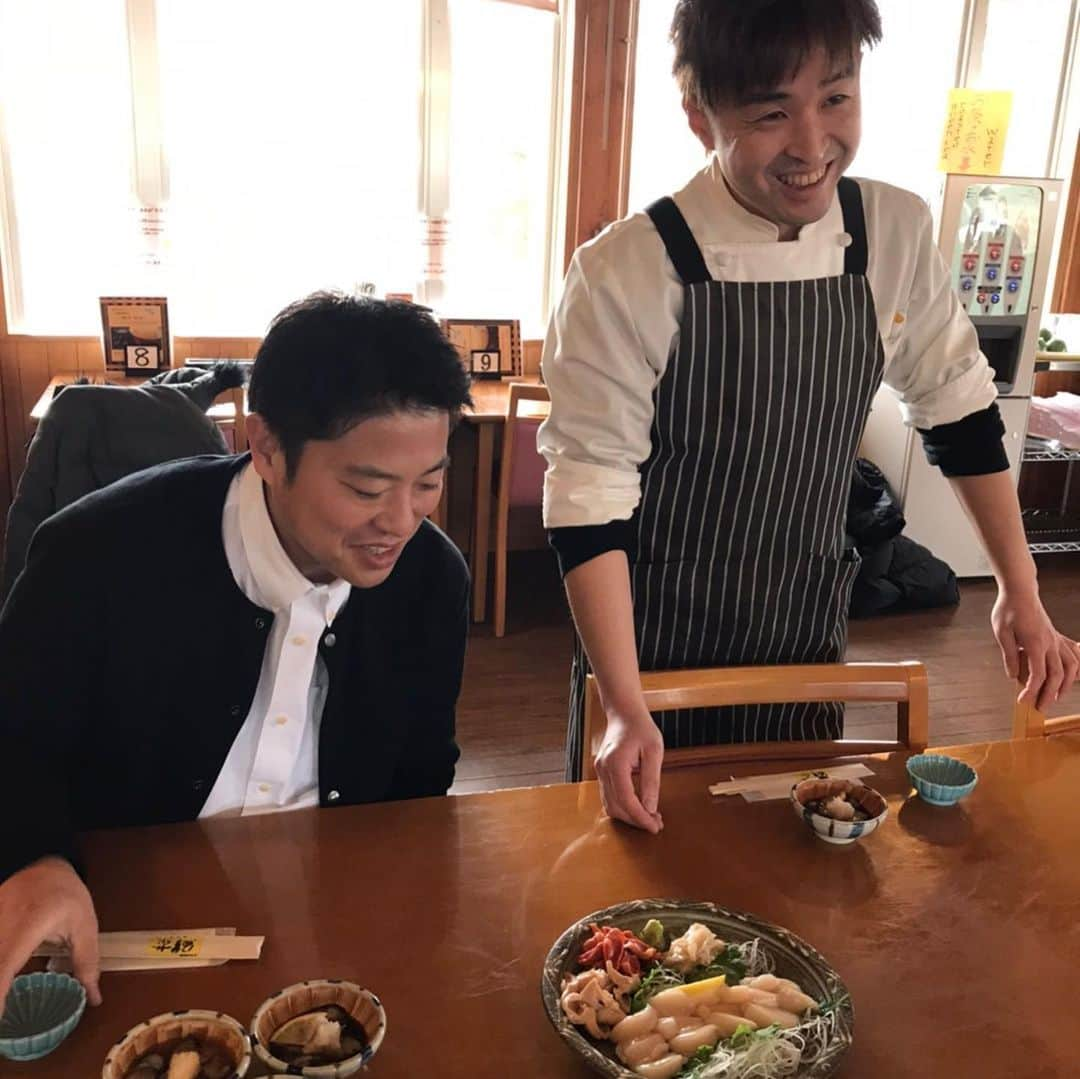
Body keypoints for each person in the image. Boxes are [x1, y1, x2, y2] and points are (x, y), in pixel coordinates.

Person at [538, 0, 1079, 832]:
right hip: (650, 645)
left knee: (798, 852)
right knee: (644, 877)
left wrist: (1020, 589)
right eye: (769, 113)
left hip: (804, 629)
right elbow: (588, 497)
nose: (812, 144)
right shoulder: (629, 269)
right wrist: (621, 701)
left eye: (836, 98)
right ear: (698, 114)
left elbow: (960, 410)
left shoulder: (889, 230)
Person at [0, 292, 472, 1006]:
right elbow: (14, 740)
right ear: (267, 447)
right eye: (366, 486)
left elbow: (419, 784)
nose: (400, 522)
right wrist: (35, 859)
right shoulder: (98, 554)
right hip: (118, 927)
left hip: (334, 937)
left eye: (429, 482)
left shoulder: (431, 583)